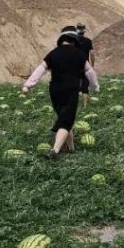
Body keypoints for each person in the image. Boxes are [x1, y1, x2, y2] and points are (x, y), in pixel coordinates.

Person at [22, 26, 99, 159]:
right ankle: (55, 151)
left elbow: (41, 69)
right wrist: (94, 85)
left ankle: (71, 149)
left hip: (55, 91)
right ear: (74, 40)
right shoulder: (78, 54)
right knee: (66, 121)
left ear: (61, 39)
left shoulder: (53, 53)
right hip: (71, 90)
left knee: (65, 118)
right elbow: (89, 72)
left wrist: (28, 85)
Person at [75, 22, 95, 107]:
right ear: (84, 30)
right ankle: (85, 107)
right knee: (85, 86)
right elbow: (92, 55)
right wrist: (92, 66)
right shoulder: (88, 41)